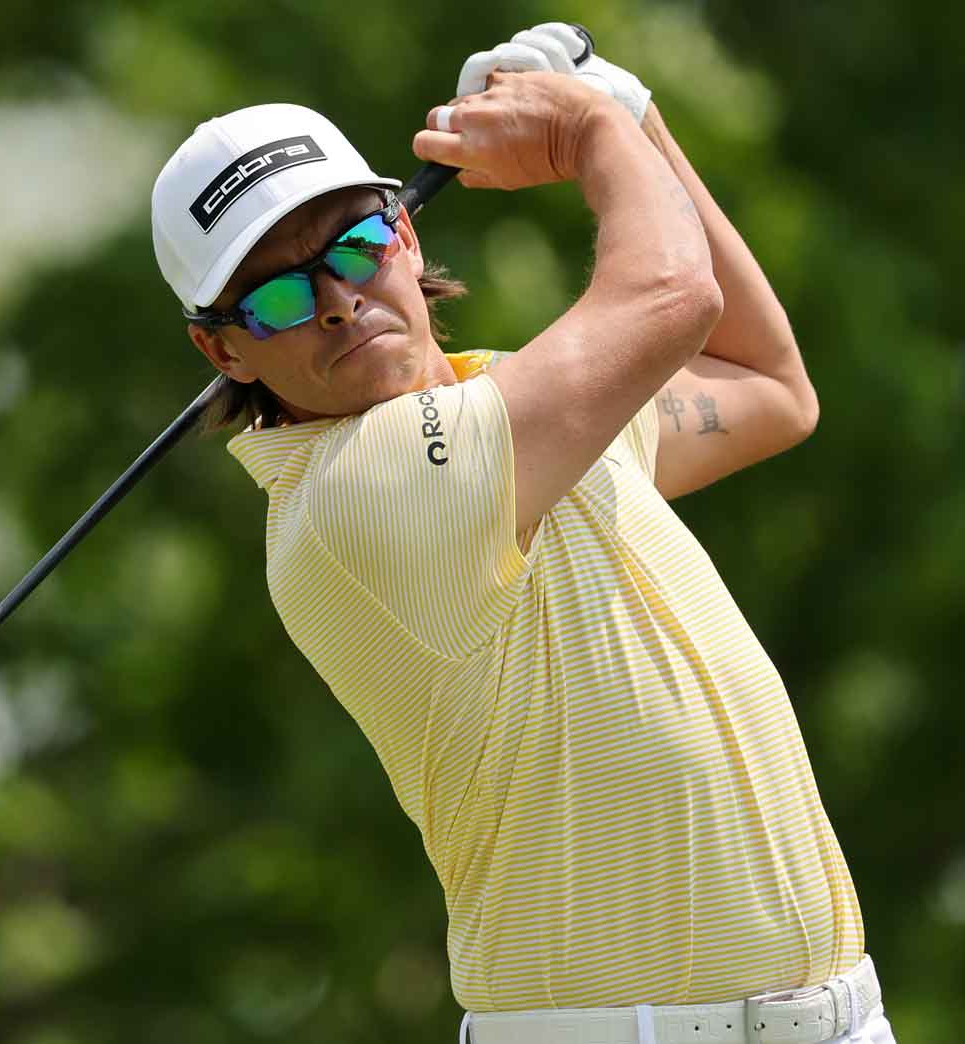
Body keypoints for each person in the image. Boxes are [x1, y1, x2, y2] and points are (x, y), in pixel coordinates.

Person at [149, 22, 895, 1044]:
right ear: (221, 348)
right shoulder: (361, 493)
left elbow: (767, 387)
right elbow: (673, 294)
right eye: (278, 293)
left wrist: (638, 123)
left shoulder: (512, 413)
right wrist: (593, 131)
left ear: (404, 238)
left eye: (356, 244)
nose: (336, 302)